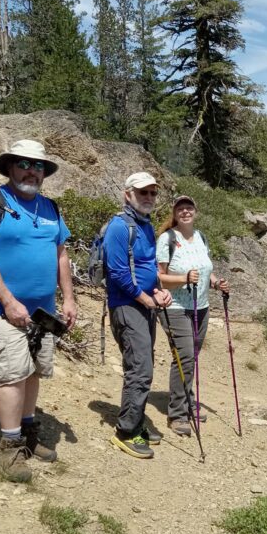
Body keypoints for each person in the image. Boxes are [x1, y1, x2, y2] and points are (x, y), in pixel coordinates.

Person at [0, 139, 77, 482]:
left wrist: (69, 299)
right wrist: (9, 302)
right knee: (13, 375)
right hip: (3, 310)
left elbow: (61, 256)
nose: (31, 171)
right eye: (24, 164)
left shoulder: (51, 209)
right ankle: (9, 447)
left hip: (43, 312)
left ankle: (28, 434)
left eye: (38, 166)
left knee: (33, 372)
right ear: (10, 167)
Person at [104, 172, 173, 459]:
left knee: (143, 366)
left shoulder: (144, 227)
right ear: (127, 194)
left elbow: (147, 268)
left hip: (145, 306)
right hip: (127, 306)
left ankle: (137, 421)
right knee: (140, 368)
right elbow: (117, 272)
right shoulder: (119, 227)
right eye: (142, 192)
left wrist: (157, 290)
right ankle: (127, 432)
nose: (148, 198)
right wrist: (144, 297)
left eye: (152, 193)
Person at [157, 194, 229, 437]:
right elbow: (159, 278)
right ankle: (177, 413)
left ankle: (187, 401)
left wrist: (217, 283)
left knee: (192, 357)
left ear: (195, 211)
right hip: (175, 306)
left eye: (189, 208)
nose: (185, 212)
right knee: (184, 357)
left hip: (202, 306)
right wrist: (183, 279)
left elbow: (205, 270)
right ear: (175, 213)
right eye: (180, 209)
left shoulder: (201, 237)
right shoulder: (167, 239)